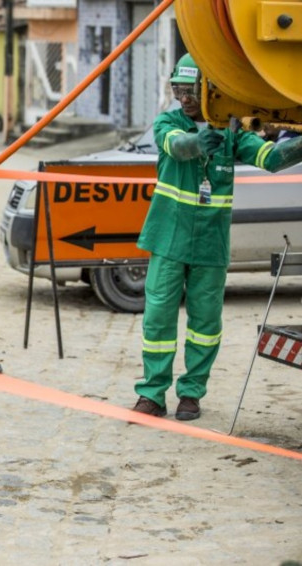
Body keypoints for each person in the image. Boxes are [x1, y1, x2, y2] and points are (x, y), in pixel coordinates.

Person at [131, 53, 302, 420]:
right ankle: (152, 394)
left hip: (210, 243)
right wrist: (199, 140)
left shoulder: (232, 132)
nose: (185, 98)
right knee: (158, 318)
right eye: (179, 89)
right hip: (168, 238)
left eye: (191, 90)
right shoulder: (167, 122)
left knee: (205, 323)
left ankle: (191, 394)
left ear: (211, 89)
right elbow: (177, 146)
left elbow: (272, 159)